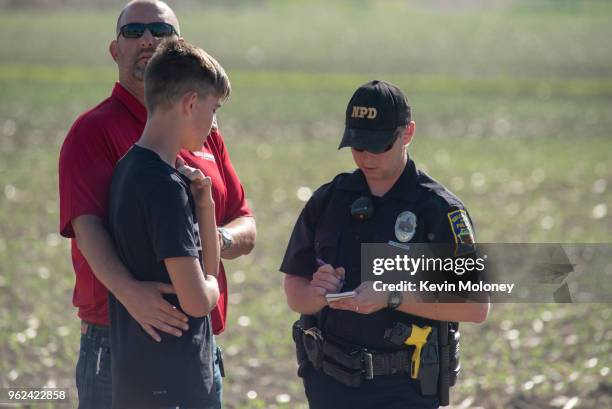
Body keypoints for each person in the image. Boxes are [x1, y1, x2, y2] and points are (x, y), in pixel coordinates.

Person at [58, 1, 255, 407]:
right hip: (121, 338)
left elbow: (243, 220)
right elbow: (86, 225)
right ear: (115, 51)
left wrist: (206, 239)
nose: (148, 39)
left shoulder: (204, 132)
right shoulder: (95, 131)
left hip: (196, 344)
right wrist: (129, 291)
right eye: (134, 32)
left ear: (177, 48)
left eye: (160, 31)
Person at [281, 80, 490, 409]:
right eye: (357, 145)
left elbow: (475, 307)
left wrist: (393, 297)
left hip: (402, 390)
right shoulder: (329, 200)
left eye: (378, 145)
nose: (366, 157)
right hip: (328, 384)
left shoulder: (437, 210)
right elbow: (295, 289)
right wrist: (316, 294)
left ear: (407, 133)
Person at [107, 39, 227, 409]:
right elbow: (196, 299)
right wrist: (213, 288)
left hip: (139, 375)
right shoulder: (163, 187)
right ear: (191, 103)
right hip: (175, 383)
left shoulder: (131, 167)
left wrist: (204, 206)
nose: (214, 124)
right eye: (214, 109)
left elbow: (204, 268)